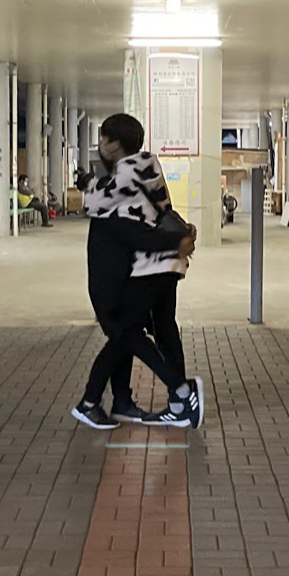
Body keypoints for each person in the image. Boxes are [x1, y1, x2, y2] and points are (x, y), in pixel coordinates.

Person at [72, 113, 203, 432]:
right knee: (155, 330)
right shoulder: (147, 166)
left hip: (150, 263)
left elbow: (95, 203)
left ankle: (178, 394)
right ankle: (130, 402)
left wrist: (176, 240)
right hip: (164, 263)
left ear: (115, 143)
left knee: (127, 334)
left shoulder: (123, 180)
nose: (100, 144)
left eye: (104, 139)